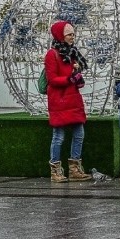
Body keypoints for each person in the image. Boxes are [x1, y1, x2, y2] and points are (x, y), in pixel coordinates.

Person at [44, 20, 92, 183]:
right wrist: (70, 78)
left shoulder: (72, 53)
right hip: (60, 100)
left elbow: (74, 78)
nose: (73, 37)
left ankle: (74, 168)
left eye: (73, 34)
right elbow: (52, 79)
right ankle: (55, 170)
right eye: (69, 34)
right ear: (60, 35)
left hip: (73, 99)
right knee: (59, 136)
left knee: (79, 134)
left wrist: (78, 76)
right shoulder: (53, 54)